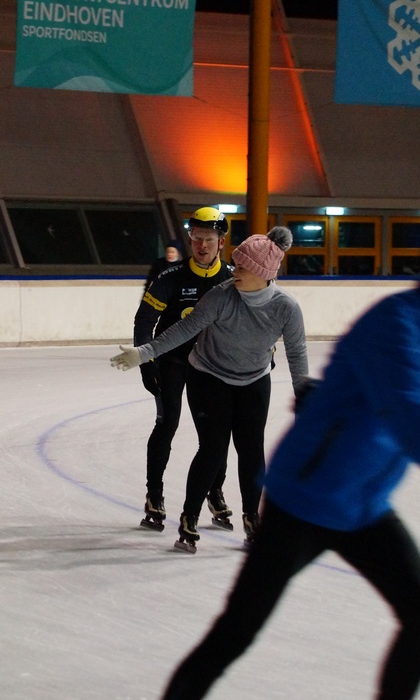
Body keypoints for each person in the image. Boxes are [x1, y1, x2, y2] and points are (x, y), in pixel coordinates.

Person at [105, 219, 420, 700]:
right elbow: (413, 422)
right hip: (306, 500)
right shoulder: (397, 324)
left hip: (362, 504)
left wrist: (307, 390)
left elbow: (312, 365)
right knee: (236, 632)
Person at [113, 226, 310, 551]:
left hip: (254, 379)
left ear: (263, 272)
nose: (235, 271)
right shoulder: (222, 295)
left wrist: (304, 396)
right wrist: (144, 353)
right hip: (209, 376)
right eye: (236, 264)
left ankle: (252, 518)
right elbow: (186, 328)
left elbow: (297, 352)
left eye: (243, 267)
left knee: (251, 449)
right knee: (213, 448)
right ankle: (189, 518)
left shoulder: (285, 307)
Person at [132, 207, 233, 532]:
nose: (202, 245)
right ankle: (154, 496)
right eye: (197, 238)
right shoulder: (171, 277)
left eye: (209, 239)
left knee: (216, 433)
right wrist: (146, 361)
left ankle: (214, 491)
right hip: (173, 361)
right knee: (167, 423)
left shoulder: (232, 278)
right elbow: (144, 321)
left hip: (212, 365)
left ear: (221, 242)